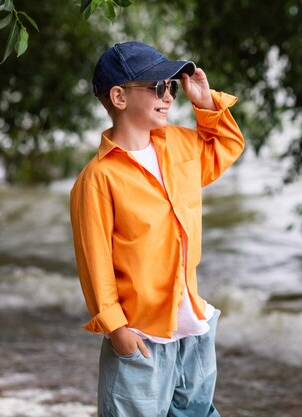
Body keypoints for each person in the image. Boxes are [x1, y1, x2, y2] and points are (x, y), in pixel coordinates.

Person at [69, 41, 245, 417]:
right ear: (119, 96)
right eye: (157, 87)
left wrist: (205, 102)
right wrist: (118, 331)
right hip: (140, 335)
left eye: (171, 87)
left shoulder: (180, 145)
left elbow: (227, 146)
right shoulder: (98, 179)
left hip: (192, 327)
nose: (168, 96)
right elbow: (94, 263)